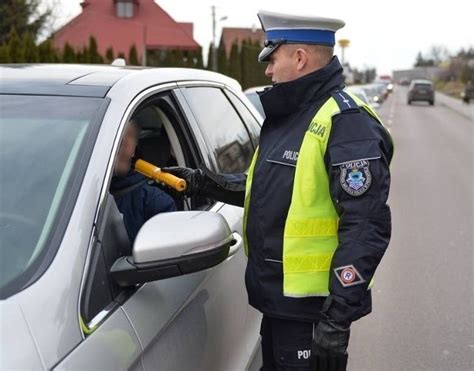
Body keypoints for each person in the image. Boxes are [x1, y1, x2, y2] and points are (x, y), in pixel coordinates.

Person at [165, 10, 393, 371]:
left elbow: (366, 228)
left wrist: (336, 321)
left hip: (312, 315)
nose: (268, 70)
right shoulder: (290, 118)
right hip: (279, 305)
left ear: (299, 58)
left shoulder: (347, 124)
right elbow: (269, 191)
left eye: (272, 58)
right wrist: (204, 182)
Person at [110, 119, 177, 243]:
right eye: (114, 133)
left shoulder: (156, 203)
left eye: (129, 135)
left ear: (134, 148)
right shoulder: (75, 195)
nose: (121, 142)